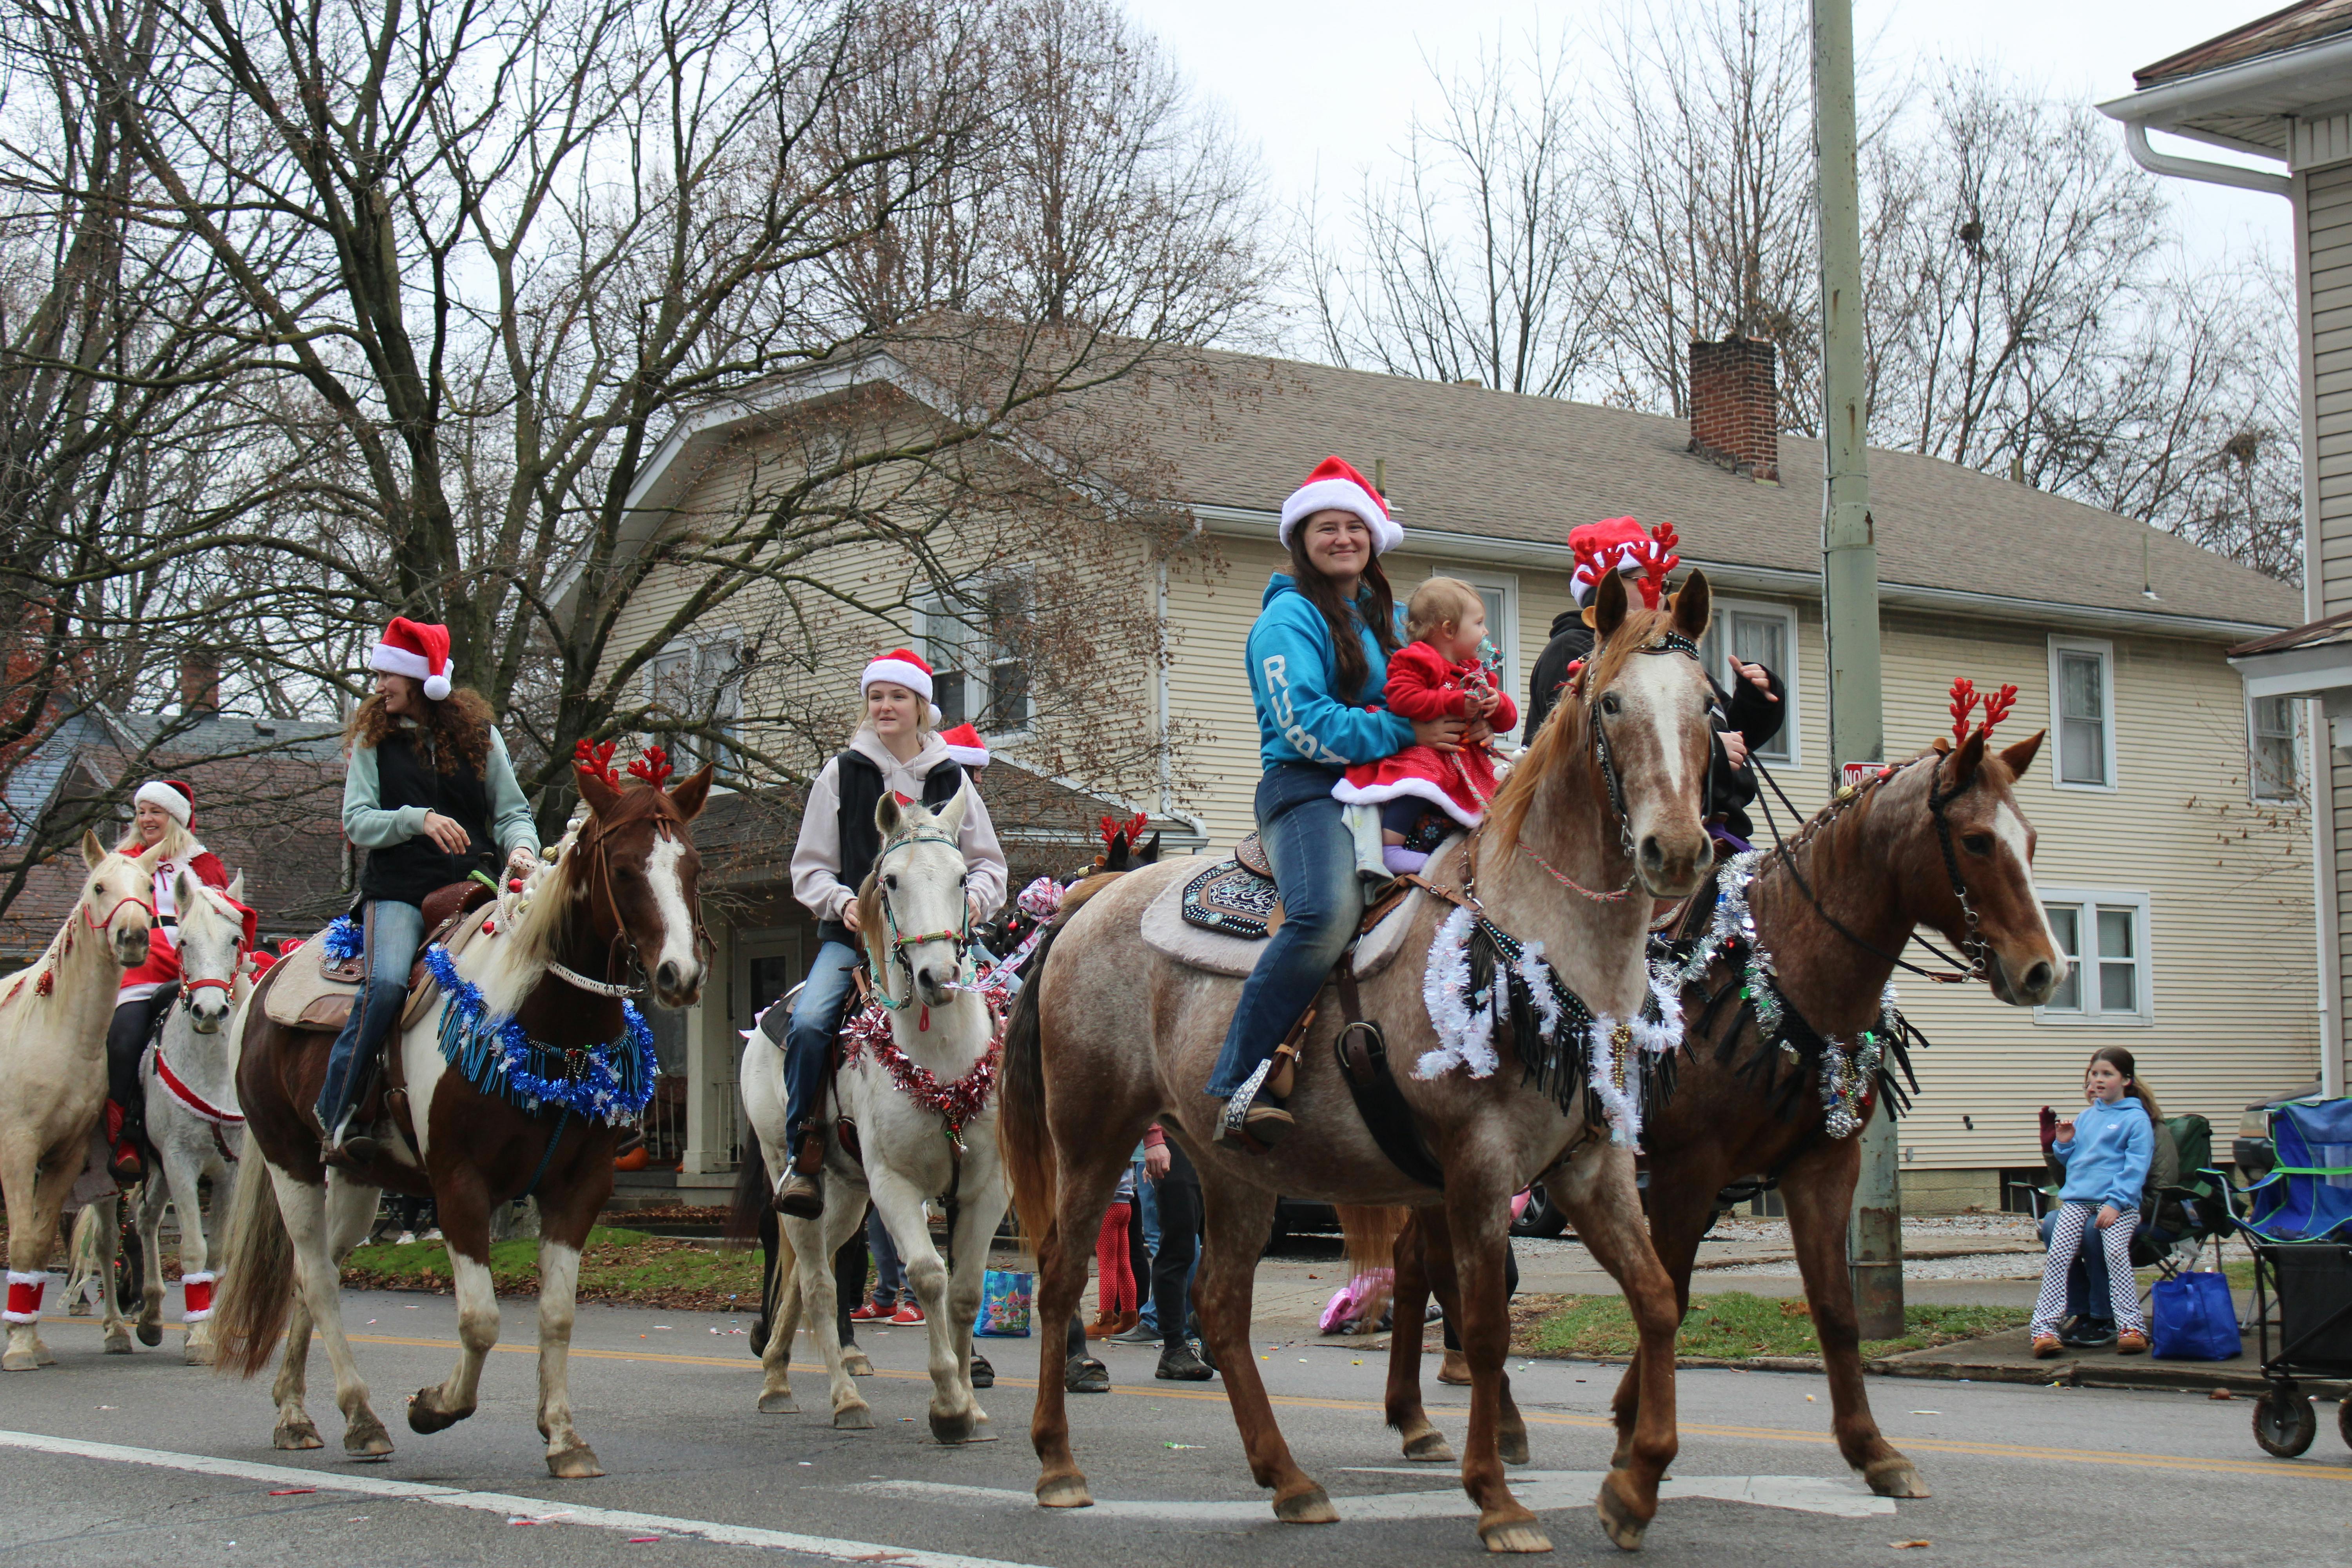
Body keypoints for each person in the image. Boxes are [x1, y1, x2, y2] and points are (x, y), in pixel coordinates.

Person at [1210, 456, 1461, 1144]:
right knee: (1324, 914)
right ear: (1302, 539)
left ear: (1375, 539)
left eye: (1356, 526)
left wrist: (1472, 698)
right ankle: (1242, 1081)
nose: (1343, 538)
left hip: (1402, 787)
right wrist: (1405, 728)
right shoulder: (1286, 621)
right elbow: (1304, 725)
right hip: (1309, 788)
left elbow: (1453, 672)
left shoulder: (1399, 619)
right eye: (1327, 527)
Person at [762, 649, 1008, 1218]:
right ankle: (806, 1153)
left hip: (946, 943)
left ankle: (1019, 1139)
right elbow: (810, 866)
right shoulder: (842, 772)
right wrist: (843, 901)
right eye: (876, 697)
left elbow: (991, 866)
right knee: (809, 1022)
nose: (885, 707)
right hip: (852, 942)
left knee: (1018, 1013)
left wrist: (970, 904)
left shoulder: (952, 778)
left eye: (897, 697)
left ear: (922, 706)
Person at [321, 617, 541, 1164]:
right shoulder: (374, 743)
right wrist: (416, 820)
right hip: (396, 892)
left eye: (387, 675)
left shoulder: (481, 740)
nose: (378, 685)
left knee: (527, 977)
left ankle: (540, 1112)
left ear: (420, 680)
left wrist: (522, 851)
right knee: (390, 984)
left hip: (473, 889)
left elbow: (514, 813)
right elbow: (358, 821)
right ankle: (336, 1114)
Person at [1525, 518, 1783, 846]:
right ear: (1609, 591)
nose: (1661, 591)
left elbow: (1737, 736)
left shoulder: (1669, 654)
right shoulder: (1572, 650)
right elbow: (1593, 740)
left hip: (1714, 831)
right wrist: (1710, 748)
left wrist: (1757, 699)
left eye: (1665, 583)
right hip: (1612, 843)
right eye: (1646, 579)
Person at [1333, 577, 1517, 875]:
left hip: (1463, 757)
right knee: (1419, 776)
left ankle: (1479, 850)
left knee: (1498, 794)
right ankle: (1390, 846)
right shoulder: (1416, 660)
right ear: (1448, 630)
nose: (1486, 632)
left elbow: (1507, 721)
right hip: (1427, 749)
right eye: (1479, 623)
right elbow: (1402, 698)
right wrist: (1452, 702)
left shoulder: (1474, 671)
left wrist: (1497, 704)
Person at [103, 780, 232, 1181]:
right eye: (141, 812)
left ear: (175, 818)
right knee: (124, 1040)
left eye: (155, 812)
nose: (145, 820)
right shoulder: (123, 859)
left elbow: (223, 917)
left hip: (193, 964)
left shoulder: (204, 863)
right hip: (139, 961)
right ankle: (123, 1133)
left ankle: (237, 1123)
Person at [2031, 1047, 2160, 1358]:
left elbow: (2136, 1168)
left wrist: (2116, 1203)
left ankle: (2131, 1327)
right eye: (2094, 1073)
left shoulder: (2136, 1120)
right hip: (2077, 1201)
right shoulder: (2088, 1117)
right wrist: (2064, 1142)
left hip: (2118, 1205)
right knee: (2060, 1254)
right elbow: (2075, 1161)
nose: (2099, 1080)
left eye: (2108, 1074)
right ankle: (2044, 1328)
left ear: (2126, 1080)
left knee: (2115, 1252)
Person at [1088, 1157, 1141, 1337]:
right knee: (1124, 1265)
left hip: (1108, 1207)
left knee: (1107, 1265)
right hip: (1125, 1206)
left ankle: (1104, 1320)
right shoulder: (1126, 1153)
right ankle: (1129, 1317)